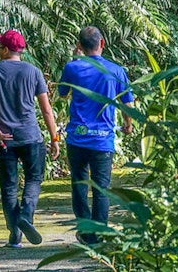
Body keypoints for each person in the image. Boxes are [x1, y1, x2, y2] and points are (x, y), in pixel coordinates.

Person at [0, 29, 60, 248]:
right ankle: (26, 215)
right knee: (33, 179)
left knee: (8, 187)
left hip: (5, 139)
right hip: (31, 137)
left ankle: (15, 234)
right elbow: (46, 110)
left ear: (6, 50)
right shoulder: (33, 72)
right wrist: (54, 138)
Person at [58, 26, 134, 245]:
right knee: (101, 188)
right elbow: (127, 103)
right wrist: (128, 125)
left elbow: (62, 95)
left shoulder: (72, 68)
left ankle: (84, 229)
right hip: (103, 139)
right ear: (102, 43)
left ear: (79, 46)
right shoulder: (116, 70)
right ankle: (99, 231)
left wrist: (76, 60)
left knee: (79, 184)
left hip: (77, 138)